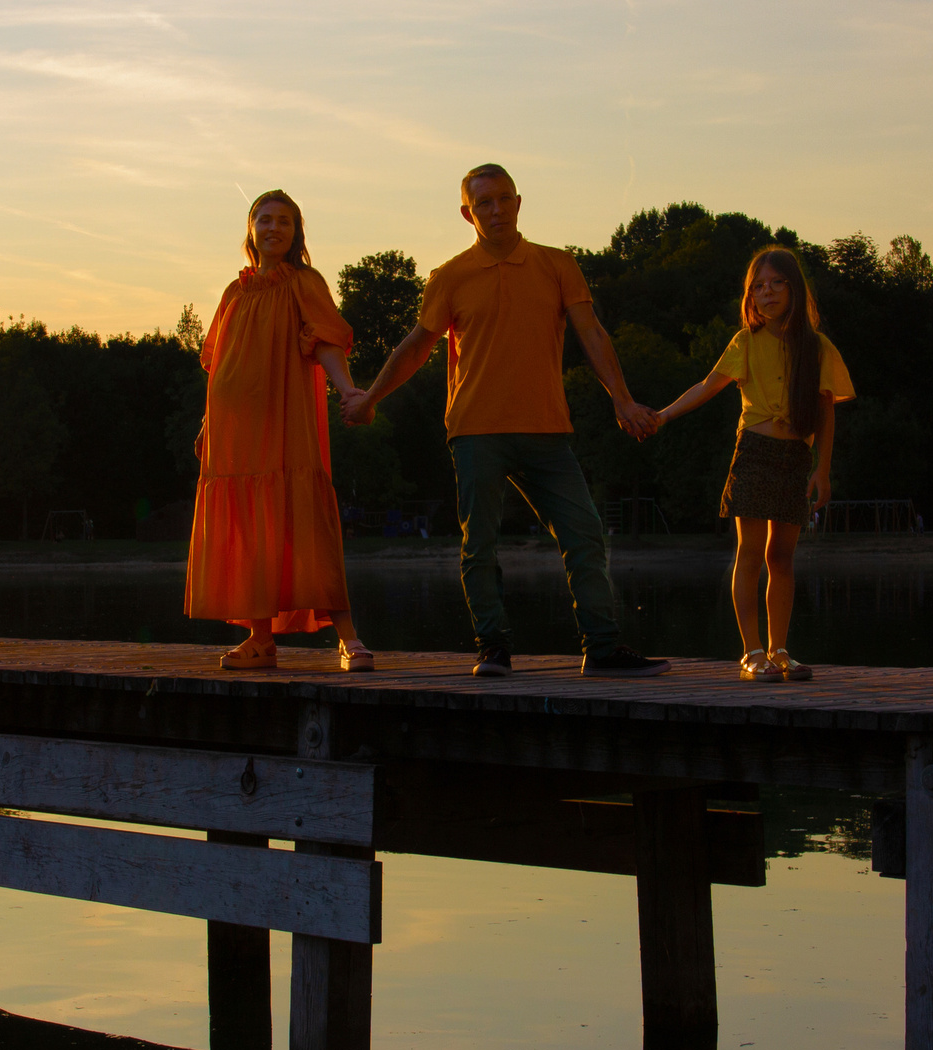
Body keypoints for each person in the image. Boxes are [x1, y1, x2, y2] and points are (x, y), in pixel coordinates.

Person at [343, 163, 666, 678]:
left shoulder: (557, 265)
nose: (496, 210)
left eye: (504, 199)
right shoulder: (450, 277)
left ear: (519, 203)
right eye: (484, 203)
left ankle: (602, 648)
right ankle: (492, 647)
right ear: (467, 213)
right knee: (480, 544)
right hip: (476, 430)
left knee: (585, 535)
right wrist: (371, 397)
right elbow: (417, 347)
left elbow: (593, 335)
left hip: (547, 430)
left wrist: (623, 401)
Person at [184, 189, 373, 672]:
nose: (274, 228)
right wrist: (209, 423)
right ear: (251, 230)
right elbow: (219, 365)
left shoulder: (304, 283)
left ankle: (349, 639)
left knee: (305, 520)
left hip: (284, 417)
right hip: (233, 429)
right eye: (265, 219)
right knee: (249, 529)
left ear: (296, 232)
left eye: (284, 221)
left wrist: (349, 391)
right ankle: (260, 639)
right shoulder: (233, 293)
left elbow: (327, 342)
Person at [651, 245, 853, 681]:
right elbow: (707, 386)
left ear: (794, 289)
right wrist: (664, 414)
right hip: (755, 453)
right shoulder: (746, 341)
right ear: (750, 296)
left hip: (796, 457)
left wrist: (823, 469)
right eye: (758, 286)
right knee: (750, 552)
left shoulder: (817, 348)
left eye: (776, 283)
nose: (767, 293)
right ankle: (752, 653)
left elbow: (827, 411)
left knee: (781, 556)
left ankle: (781, 649)